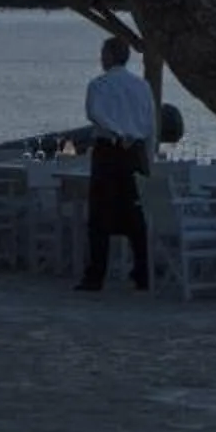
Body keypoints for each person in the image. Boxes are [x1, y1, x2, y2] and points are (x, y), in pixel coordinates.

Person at [76, 35, 154, 294]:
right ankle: (143, 273)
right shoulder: (142, 86)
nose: (101, 58)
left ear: (109, 56)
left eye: (103, 53)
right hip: (136, 151)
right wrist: (138, 142)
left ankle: (96, 275)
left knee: (100, 214)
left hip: (110, 151)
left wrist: (118, 132)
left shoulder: (98, 85)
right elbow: (149, 121)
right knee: (136, 214)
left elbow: (95, 113)